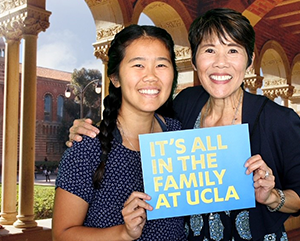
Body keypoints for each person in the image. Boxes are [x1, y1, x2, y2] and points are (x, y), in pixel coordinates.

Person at [66, 8, 300, 241]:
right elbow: (142, 113)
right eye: (209, 50)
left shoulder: (279, 120)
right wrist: (90, 131)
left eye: (233, 50)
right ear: (195, 61)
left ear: (249, 61)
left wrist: (272, 197)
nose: (221, 63)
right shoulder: (186, 105)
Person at [52, 24, 187, 241]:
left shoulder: (179, 134)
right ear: (115, 78)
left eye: (161, 64)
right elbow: (62, 234)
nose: (151, 76)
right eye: (138, 65)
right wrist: (123, 233)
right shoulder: (88, 146)